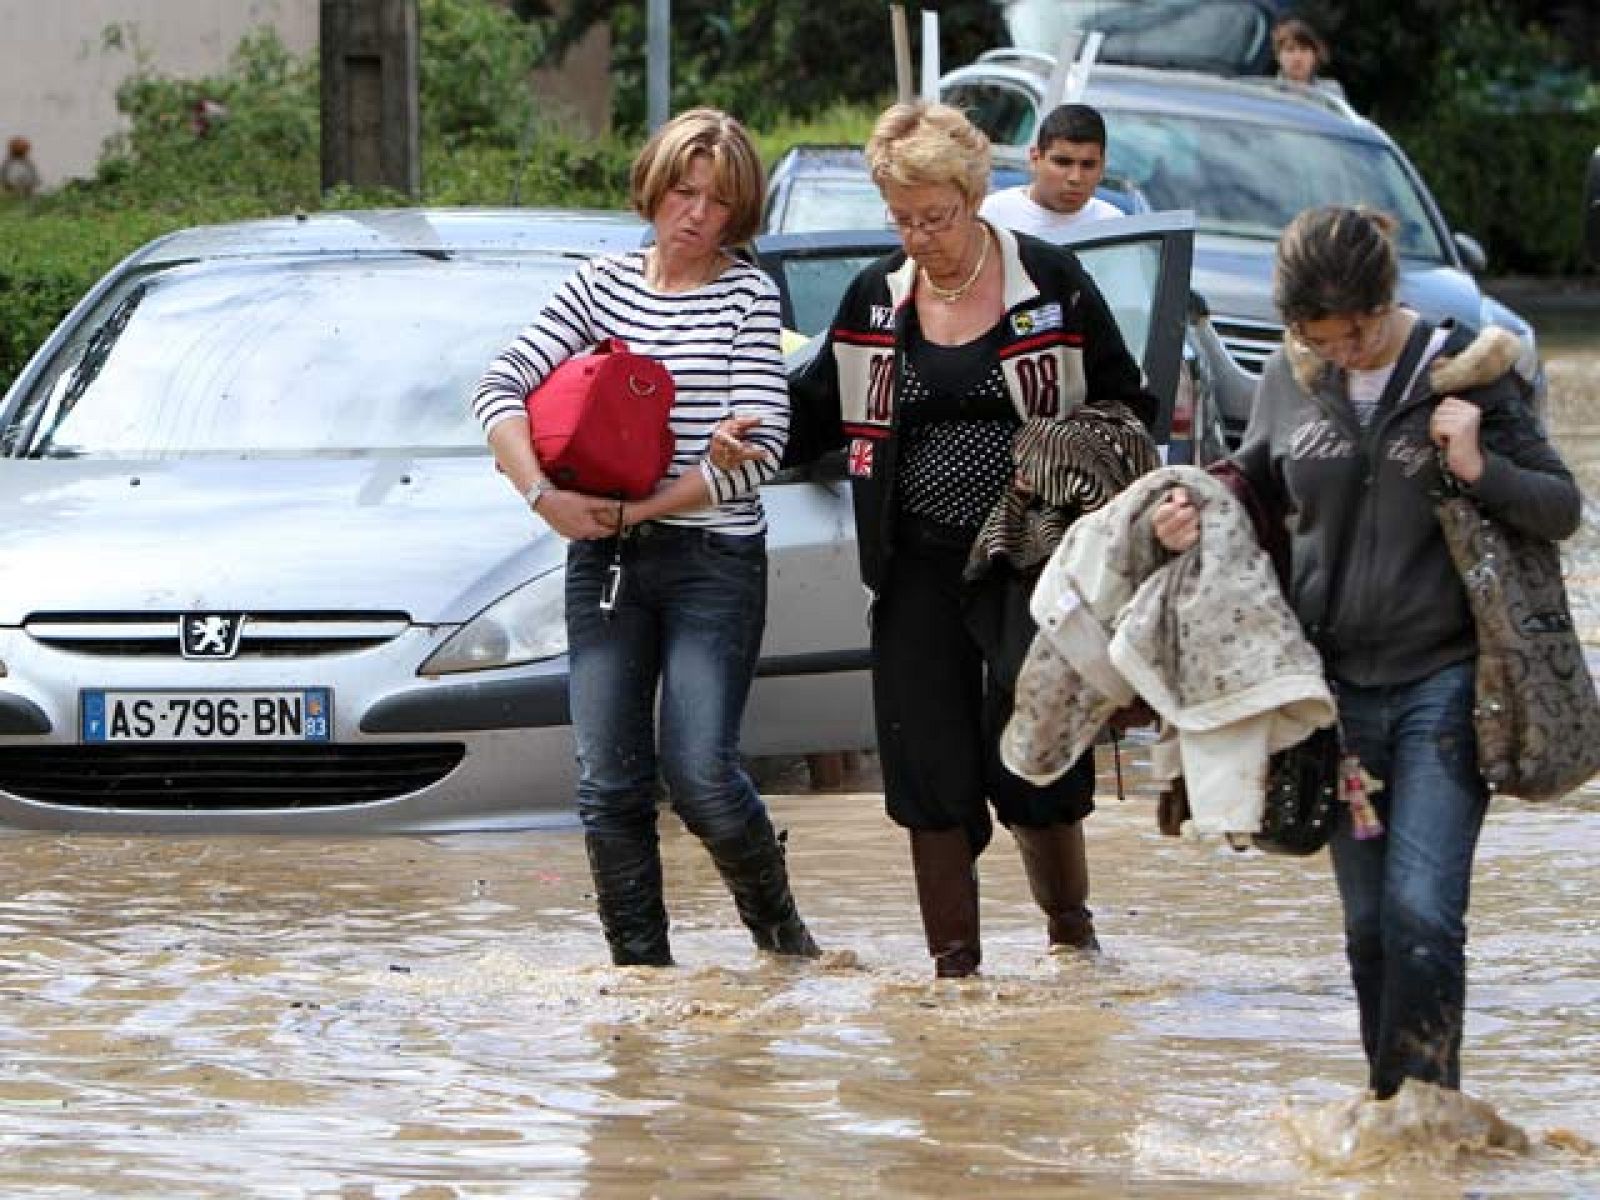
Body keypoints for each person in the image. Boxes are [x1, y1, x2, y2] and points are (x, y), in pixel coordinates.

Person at [1150, 205, 1581, 1098]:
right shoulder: (1289, 374)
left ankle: (1428, 1110)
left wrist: (1475, 466)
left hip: (1446, 687)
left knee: (1423, 914)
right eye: (1320, 336)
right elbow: (1255, 485)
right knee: (1368, 930)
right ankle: (1398, 1116)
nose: (1343, 351)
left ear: (1388, 301)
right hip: (1333, 700)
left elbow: (1559, 507)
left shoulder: (1471, 372)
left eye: (1358, 332)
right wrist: (1188, 510)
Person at [780, 100, 1157, 979]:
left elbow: (1129, 407)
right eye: (901, 219)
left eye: (936, 217)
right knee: (925, 762)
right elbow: (813, 415)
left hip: (1034, 561)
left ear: (975, 196)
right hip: (914, 562)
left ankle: (1072, 938)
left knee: (1039, 753)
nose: (920, 236)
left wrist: (1064, 458)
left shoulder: (1052, 282)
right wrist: (742, 438)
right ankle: (954, 977)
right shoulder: (876, 295)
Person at [471, 107, 818, 968]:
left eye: (719, 203)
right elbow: (498, 387)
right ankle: (643, 979)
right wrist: (543, 495)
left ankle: (785, 947)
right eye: (683, 192)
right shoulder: (600, 284)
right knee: (609, 783)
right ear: (654, 188)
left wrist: (661, 498)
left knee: (701, 772)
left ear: (741, 217)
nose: (697, 215)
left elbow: (762, 449)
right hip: (603, 560)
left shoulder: (747, 294)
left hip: (713, 560)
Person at [979, 103, 1120, 238]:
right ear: (1035, 158)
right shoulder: (992, 216)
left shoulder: (1114, 224)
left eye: (1088, 165)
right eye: (1062, 163)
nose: (1075, 178)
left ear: (1102, 166)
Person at [1271, 16, 1346, 98]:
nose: (1297, 58)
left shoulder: (1331, 91)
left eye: (1304, 50)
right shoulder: (1265, 93)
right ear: (1278, 55)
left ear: (1315, 55)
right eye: (1290, 50)